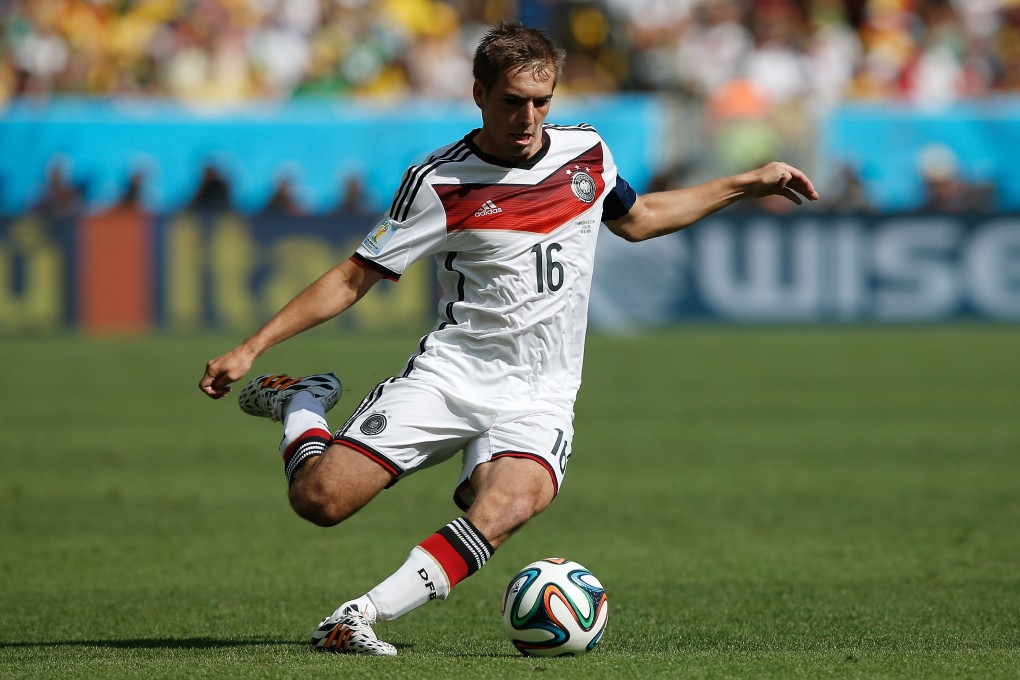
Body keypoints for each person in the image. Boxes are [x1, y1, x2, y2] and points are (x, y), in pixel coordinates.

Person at [198, 20, 818, 656]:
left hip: (542, 391)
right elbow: (355, 275)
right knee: (320, 500)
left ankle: (358, 617)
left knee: (511, 502)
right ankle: (302, 401)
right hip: (455, 374)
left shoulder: (586, 155)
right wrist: (254, 346)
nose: (528, 117)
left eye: (541, 101)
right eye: (512, 101)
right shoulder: (439, 183)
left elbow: (641, 219)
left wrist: (748, 182)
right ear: (479, 94)